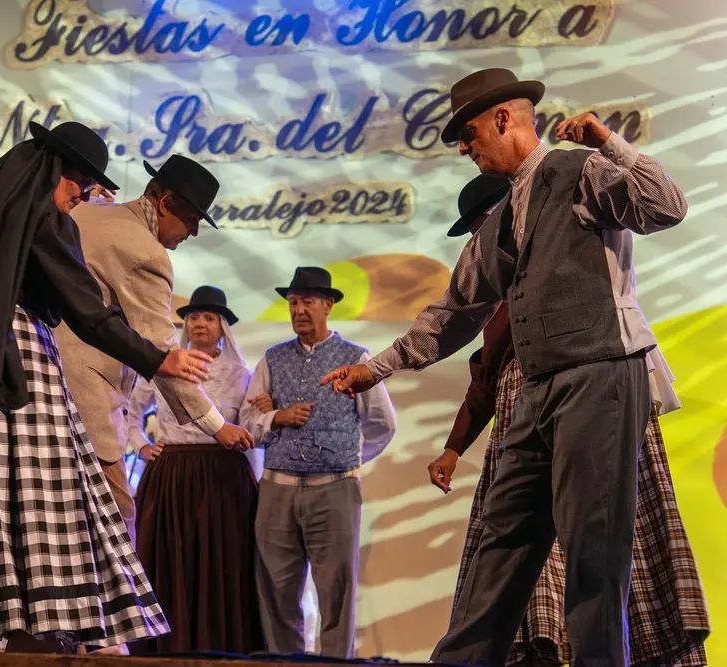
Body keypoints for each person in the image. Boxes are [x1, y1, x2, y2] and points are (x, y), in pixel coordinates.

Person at [321, 68, 691, 667]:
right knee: (501, 538)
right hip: (538, 391)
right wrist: (377, 368)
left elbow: (666, 207)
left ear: (502, 119)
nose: (463, 149)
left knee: (593, 549)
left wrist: (608, 142)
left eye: (467, 134)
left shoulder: (579, 172)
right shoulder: (496, 224)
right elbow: (454, 313)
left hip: (599, 375)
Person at [0, 121, 214, 654]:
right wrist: (157, 358)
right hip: (12, 363)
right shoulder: (45, 216)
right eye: (79, 184)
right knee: (32, 492)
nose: (81, 196)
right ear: (56, 172)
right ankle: (27, 628)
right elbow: (88, 312)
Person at [431, 174, 709, 666]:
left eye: (483, 226)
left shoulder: (568, 256)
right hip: (528, 415)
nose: (481, 240)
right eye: (477, 232)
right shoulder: (502, 298)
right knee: (523, 545)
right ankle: (539, 645)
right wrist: (454, 447)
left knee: (606, 539)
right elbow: (485, 378)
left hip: (599, 405)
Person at [54, 154, 253, 551]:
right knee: (116, 530)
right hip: (85, 399)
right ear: (165, 204)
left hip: (42, 389)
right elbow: (163, 354)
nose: (193, 233)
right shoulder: (145, 253)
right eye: (193, 220)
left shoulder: (89, 213)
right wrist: (219, 426)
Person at [240, 267, 397, 659]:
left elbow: (382, 424)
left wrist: (345, 458)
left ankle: (335, 664)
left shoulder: (355, 358)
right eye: (293, 303)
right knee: (277, 591)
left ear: (328, 305)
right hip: (277, 488)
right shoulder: (272, 359)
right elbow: (247, 425)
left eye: (308, 301)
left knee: (336, 593)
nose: (298, 310)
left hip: (335, 489)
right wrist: (277, 416)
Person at [124, 286, 263, 655]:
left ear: (223, 327)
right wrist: (141, 446)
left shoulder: (240, 373)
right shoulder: (165, 366)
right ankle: (169, 647)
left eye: (208, 318)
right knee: (172, 558)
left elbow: (248, 425)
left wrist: (267, 407)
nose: (200, 324)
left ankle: (221, 645)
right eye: (193, 317)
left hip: (223, 473)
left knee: (222, 561)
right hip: (172, 473)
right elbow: (128, 411)